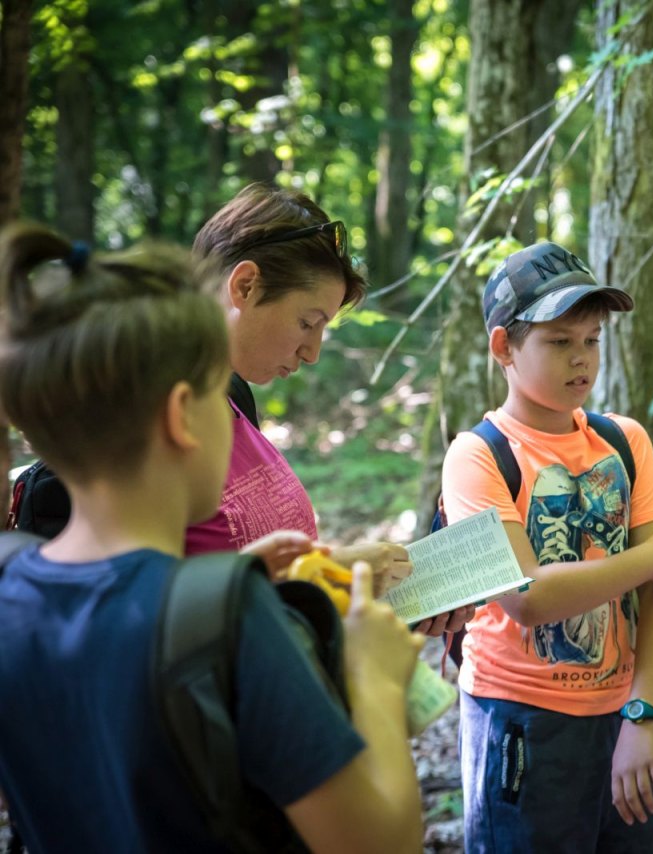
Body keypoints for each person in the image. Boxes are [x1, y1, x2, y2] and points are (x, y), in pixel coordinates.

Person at [0, 224, 425, 852]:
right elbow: (380, 844)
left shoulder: (11, 581)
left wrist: (226, 583)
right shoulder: (231, 621)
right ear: (181, 415)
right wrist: (376, 681)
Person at [440, 241, 653, 852]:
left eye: (592, 339)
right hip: (519, 723)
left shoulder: (624, 442)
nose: (582, 358)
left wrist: (644, 713)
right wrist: (650, 558)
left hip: (620, 716)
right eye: (559, 342)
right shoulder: (479, 455)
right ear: (504, 347)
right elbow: (527, 597)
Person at [187, 183, 450, 615]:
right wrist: (327, 574)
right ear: (246, 286)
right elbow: (139, 607)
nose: (312, 352)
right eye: (307, 323)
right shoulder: (141, 421)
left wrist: (355, 588)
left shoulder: (231, 399)